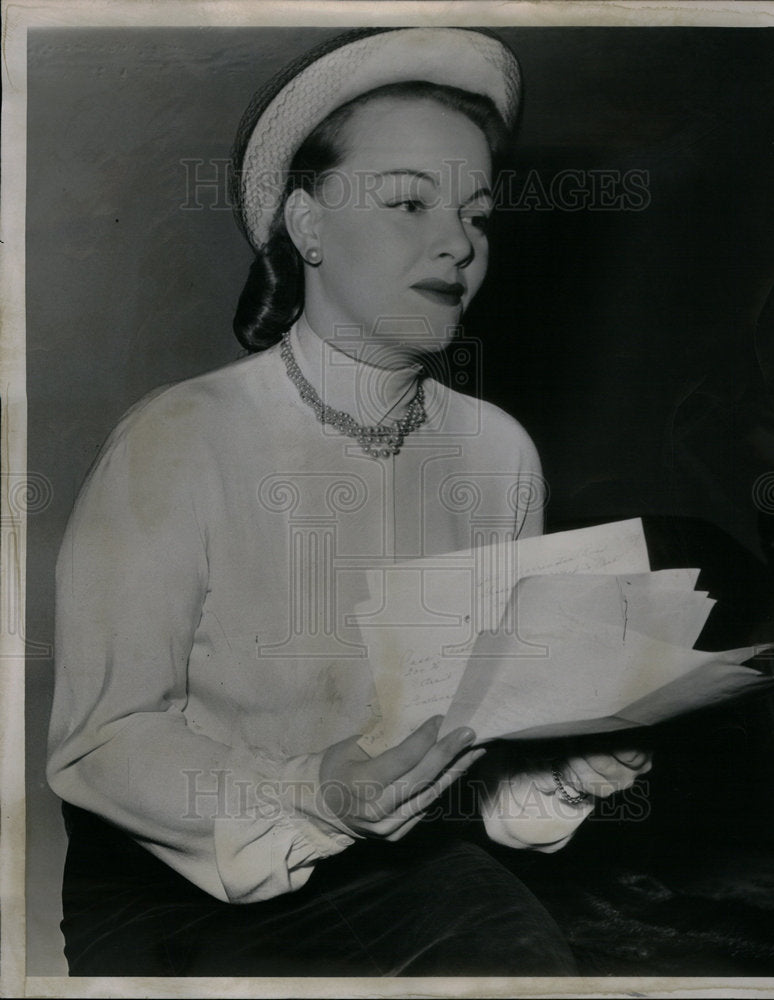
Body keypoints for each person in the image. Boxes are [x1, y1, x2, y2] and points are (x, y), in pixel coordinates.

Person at [47, 27, 652, 977]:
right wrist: (316, 791)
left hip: (403, 875)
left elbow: (478, 756)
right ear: (308, 225)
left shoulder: (498, 455)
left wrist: (564, 769)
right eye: (408, 202)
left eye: (477, 214)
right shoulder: (179, 438)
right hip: (179, 895)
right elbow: (101, 744)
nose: (456, 241)